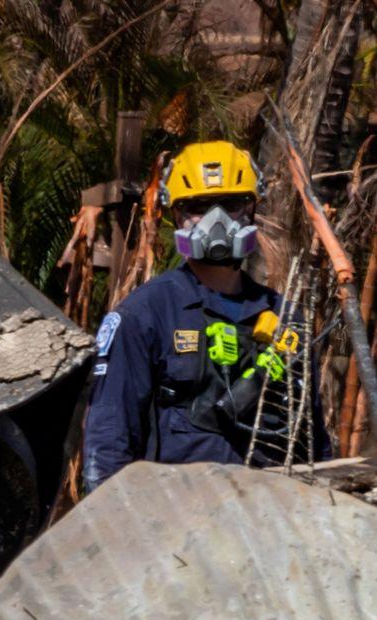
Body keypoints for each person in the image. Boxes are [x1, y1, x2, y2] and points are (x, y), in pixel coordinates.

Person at [81, 140, 298, 492]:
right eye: (198, 206)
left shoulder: (286, 317)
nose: (217, 219)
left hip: (267, 519)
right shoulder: (145, 315)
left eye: (231, 204)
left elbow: (311, 435)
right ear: (177, 215)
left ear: (252, 209)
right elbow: (108, 440)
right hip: (177, 519)